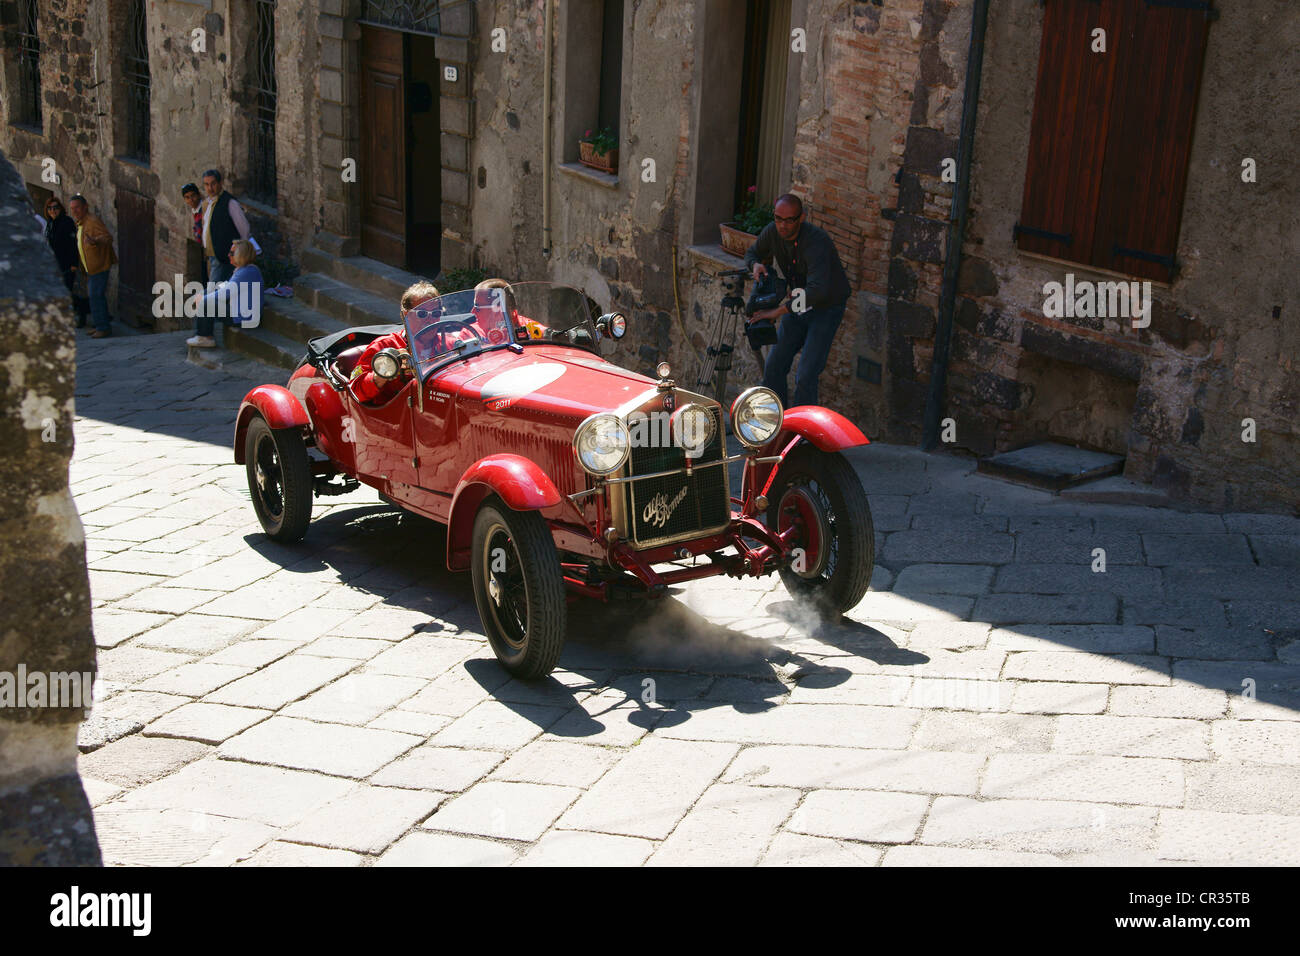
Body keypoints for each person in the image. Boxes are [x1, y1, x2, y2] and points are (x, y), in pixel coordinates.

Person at [744, 193, 852, 407]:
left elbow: (817, 292)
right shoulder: (772, 232)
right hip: (797, 306)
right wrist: (755, 264)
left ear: (801, 218)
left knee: (805, 375)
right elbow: (752, 252)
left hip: (825, 308)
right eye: (777, 218)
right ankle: (777, 425)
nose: (782, 226)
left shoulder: (816, 241)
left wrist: (776, 312)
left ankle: (802, 435)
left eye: (789, 220)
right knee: (773, 367)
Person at [349, 280, 440, 404]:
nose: (431, 320)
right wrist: (386, 368)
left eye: (436, 313)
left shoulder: (449, 344)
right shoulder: (383, 346)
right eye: (422, 314)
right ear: (406, 315)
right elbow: (355, 392)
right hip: (395, 416)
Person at [185, 239, 263, 347]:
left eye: (232, 253)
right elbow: (225, 286)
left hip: (243, 317)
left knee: (206, 302)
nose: (228, 255)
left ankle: (205, 337)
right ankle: (201, 334)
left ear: (241, 255)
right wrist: (204, 294)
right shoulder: (244, 270)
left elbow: (224, 294)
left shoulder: (247, 272)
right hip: (239, 311)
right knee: (206, 293)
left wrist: (202, 299)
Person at [67, 194, 118, 339]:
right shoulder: (81, 222)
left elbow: (107, 238)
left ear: (85, 207)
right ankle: (99, 325)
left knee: (96, 296)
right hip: (90, 268)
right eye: (72, 208)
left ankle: (103, 327)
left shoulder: (92, 221)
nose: (74, 211)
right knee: (94, 297)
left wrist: (95, 240)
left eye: (77, 207)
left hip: (99, 266)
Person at [43, 197, 90, 328]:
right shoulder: (50, 223)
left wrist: (74, 264)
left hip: (66, 264)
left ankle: (81, 311)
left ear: (61, 209)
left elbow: (73, 245)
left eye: (55, 208)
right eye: (50, 208)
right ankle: (82, 310)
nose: (53, 211)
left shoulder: (66, 222)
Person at [200, 168, 252, 284]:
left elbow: (244, 229)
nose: (210, 188)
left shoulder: (230, 203)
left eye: (213, 184)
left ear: (220, 183)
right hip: (213, 255)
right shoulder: (208, 203)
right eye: (207, 184)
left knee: (213, 291)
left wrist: (241, 254)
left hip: (224, 256)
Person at [182, 182, 209, 286]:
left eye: (193, 196)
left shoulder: (205, 209)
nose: (191, 200)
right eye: (187, 197)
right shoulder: (194, 210)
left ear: (198, 195)